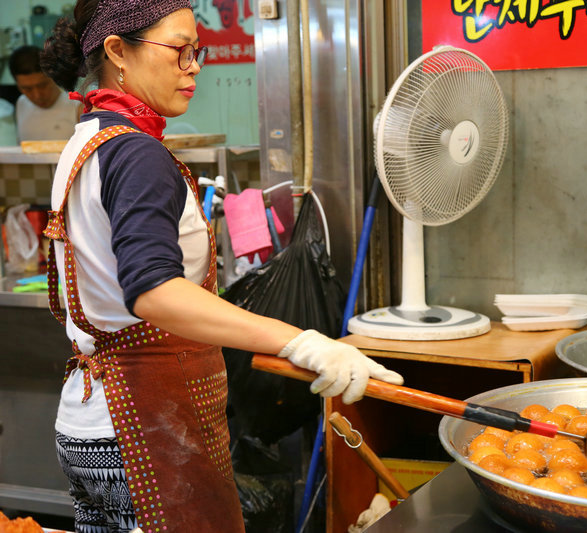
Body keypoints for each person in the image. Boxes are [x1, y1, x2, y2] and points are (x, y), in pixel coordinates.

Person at [39, 1, 403, 532]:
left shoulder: (86, 141)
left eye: (197, 51)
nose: (193, 67)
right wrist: (297, 339)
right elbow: (155, 291)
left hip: (94, 422)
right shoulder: (136, 155)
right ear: (118, 50)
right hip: (145, 428)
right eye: (178, 51)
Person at [9, 45, 81, 142]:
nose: (37, 95)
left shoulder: (77, 106)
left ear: (53, 76)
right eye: (27, 89)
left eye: (42, 86)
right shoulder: (21, 103)